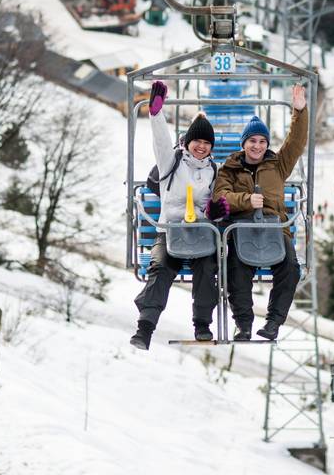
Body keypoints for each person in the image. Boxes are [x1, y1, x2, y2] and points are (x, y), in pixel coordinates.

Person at [130, 81, 230, 350]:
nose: (201, 146)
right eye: (197, 141)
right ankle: (145, 327)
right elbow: (161, 139)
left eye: (207, 143)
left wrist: (214, 212)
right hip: (170, 232)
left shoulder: (215, 171)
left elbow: (216, 206)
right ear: (187, 141)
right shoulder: (171, 163)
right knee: (161, 268)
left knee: (208, 269)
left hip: (200, 234)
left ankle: (202, 325)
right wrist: (155, 113)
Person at [213, 85, 309, 341]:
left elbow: (296, 142)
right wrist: (246, 200)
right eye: (252, 141)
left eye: (262, 141)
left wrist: (299, 111)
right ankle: (243, 324)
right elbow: (219, 197)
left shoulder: (278, 165)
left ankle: (273, 323)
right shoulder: (229, 169)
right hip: (243, 229)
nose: (257, 146)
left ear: (267, 145)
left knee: (290, 268)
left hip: (275, 229)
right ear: (243, 143)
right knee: (237, 270)